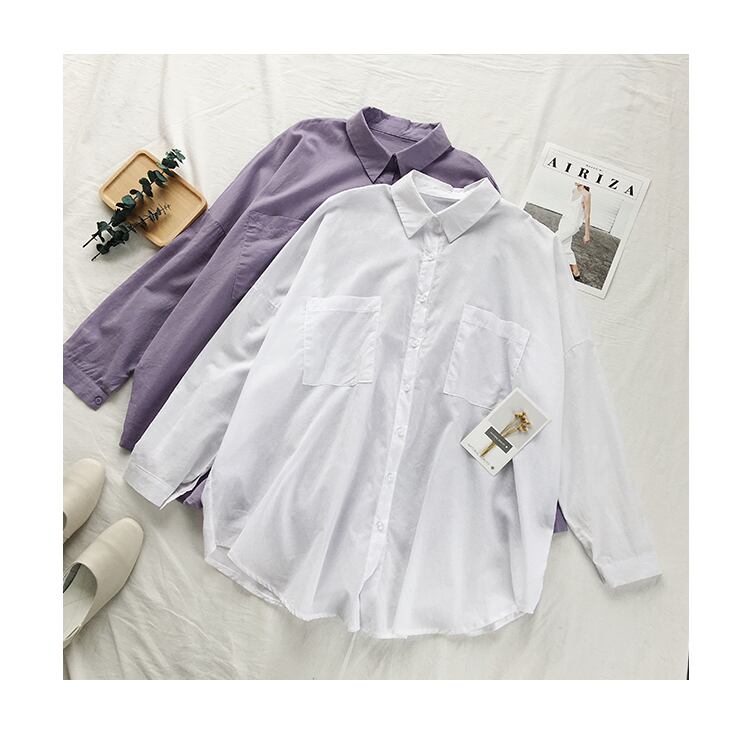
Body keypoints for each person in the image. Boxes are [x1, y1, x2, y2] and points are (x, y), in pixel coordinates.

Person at [556, 182, 591, 281]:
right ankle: (576, 271)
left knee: (553, 239)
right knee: (565, 246)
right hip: (564, 222)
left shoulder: (586, 195)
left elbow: (587, 216)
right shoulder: (574, 190)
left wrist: (587, 234)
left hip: (572, 225)